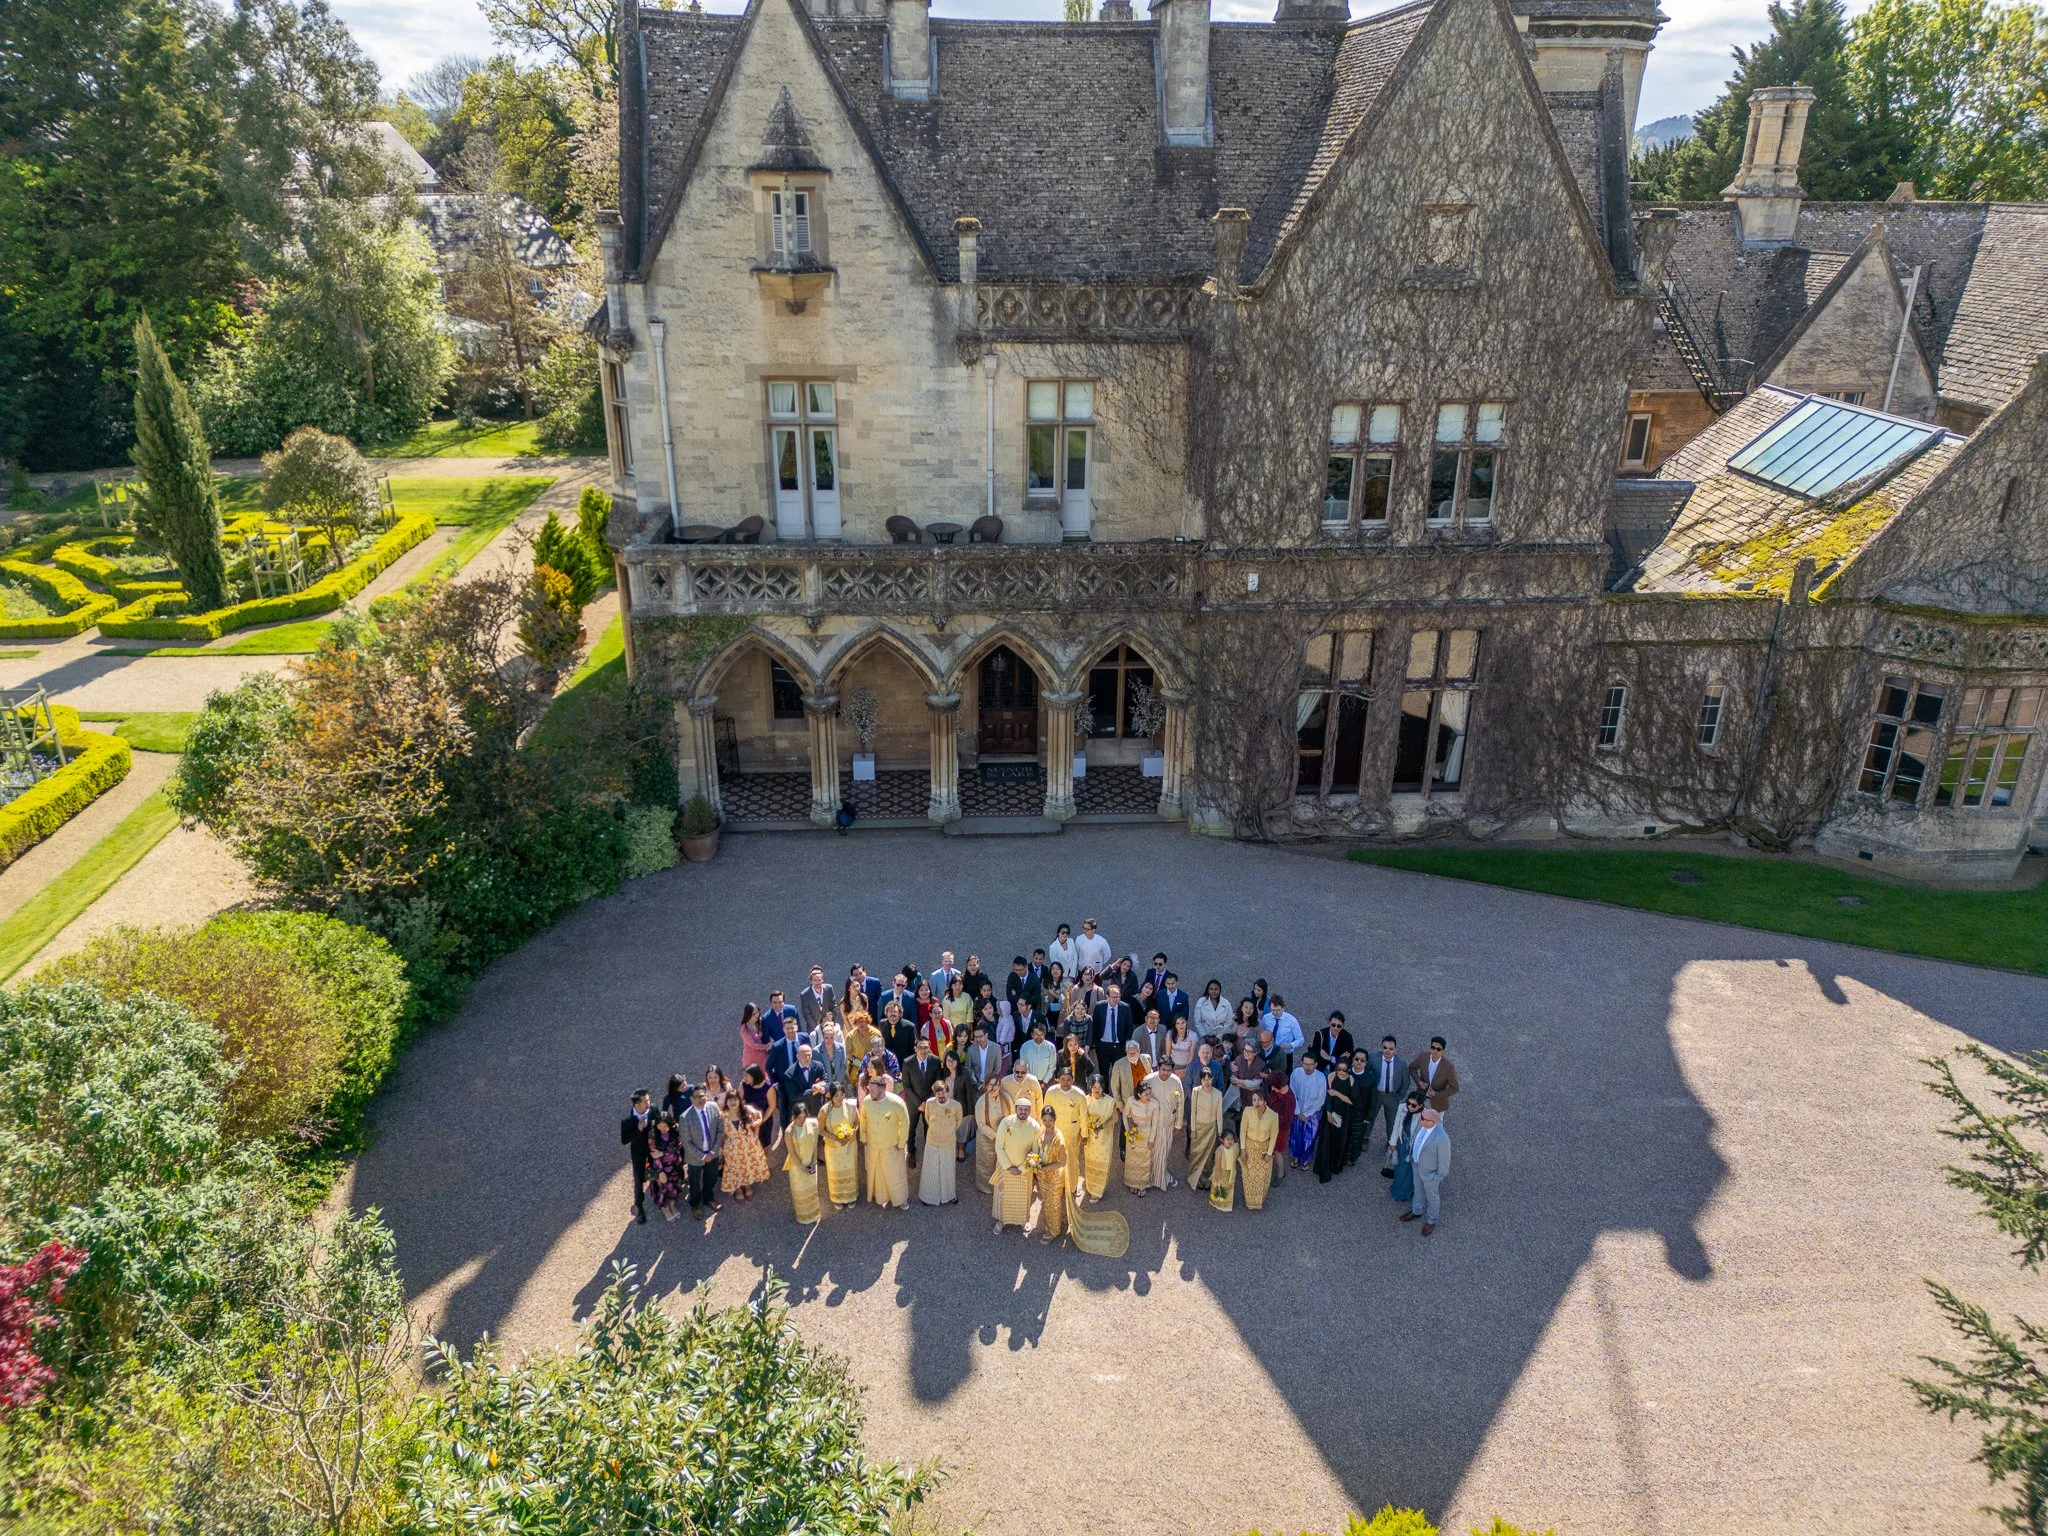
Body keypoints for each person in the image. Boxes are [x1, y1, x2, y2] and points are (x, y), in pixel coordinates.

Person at [861, 1077, 911, 1209]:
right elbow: (863, 1119)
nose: (869, 1093)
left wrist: (901, 1143)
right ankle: (881, 1196)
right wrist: (863, 1137)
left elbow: (905, 1123)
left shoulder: (896, 1102)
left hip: (892, 1146)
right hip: (873, 1145)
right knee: (877, 1173)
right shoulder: (867, 1101)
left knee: (895, 1174)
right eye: (869, 1090)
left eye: (872, 1091)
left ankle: (901, 1199)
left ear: (882, 1089)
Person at [992, 1095, 1039, 1233]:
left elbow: (1035, 1152)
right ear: (1016, 1109)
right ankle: (1001, 1221)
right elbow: (999, 1147)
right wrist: (1009, 1167)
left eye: (1026, 1109)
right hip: (1005, 1166)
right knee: (1002, 1196)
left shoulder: (1035, 1126)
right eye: (1020, 1109)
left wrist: (1022, 1169)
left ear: (1029, 1110)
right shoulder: (1006, 1122)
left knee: (1023, 1197)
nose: (1023, 1112)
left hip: (1023, 1170)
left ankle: (1023, 1220)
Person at [1402, 1107, 1450, 1234]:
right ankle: (1416, 1211)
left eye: (1422, 1118)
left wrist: (1437, 1177)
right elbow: (1415, 1140)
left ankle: (1431, 1220)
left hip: (1431, 1173)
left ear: (1432, 1122)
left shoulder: (1442, 1138)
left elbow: (1444, 1161)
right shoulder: (1422, 1125)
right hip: (1417, 1165)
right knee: (1417, 1188)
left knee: (1432, 1197)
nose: (1419, 1119)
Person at [899, 1036, 947, 1164]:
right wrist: (918, 1103)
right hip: (913, 1103)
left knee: (929, 1128)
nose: (923, 1050)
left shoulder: (935, 1061)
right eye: (920, 1047)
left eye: (926, 1047)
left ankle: (929, 1152)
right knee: (911, 1129)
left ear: (929, 1047)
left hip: (930, 1102)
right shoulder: (907, 1062)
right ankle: (911, 1153)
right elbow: (906, 1086)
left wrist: (927, 1101)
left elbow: (938, 1083)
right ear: (915, 1048)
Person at [1042, 1065, 1088, 1194]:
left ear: (1073, 1080)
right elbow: (1045, 1112)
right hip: (1054, 1132)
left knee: (1072, 1160)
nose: (1065, 1083)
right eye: (1063, 1079)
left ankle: (1072, 1187)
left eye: (1068, 1079)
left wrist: (1084, 1135)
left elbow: (1084, 1116)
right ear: (1058, 1079)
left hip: (1072, 1133)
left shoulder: (1079, 1095)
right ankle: (1056, 1186)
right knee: (1054, 1159)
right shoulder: (1051, 1091)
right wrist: (1044, 1130)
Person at [682, 1085, 724, 1219]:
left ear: (707, 1095)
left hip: (713, 1153)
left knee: (711, 1177)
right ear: (691, 1099)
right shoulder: (685, 1117)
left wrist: (712, 1151)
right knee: (694, 1182)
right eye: (697, 1097)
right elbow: (686, 1142)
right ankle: (695, 1204)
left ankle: (708, 1198)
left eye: (702, 1096)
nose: (700, 1099)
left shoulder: (714, 1107)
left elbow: (720, 1130)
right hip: (695, 1157)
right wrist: (703, 1156)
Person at [918, 1080, 963, 1205]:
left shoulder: (956, 1105)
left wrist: (949, 1131)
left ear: (947, 1092)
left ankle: (949, 1195)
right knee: (930, 1168)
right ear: (934, 1094)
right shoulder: (929, 1103)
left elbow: (958, 1121)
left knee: (948, 1168)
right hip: (932, 1140)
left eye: (943, 1092)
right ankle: (928, 1197)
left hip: (948, 1141)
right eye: (938, 1094)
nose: (941, 1096)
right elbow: (927, 1118)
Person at [722, 1088, 769, 1201]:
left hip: (749, 1145)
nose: (733, 1102)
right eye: (730, 1100)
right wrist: (723, 1148)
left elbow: (759, 1118)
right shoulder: (722, 1116)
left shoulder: (747, 1110)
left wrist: (755, 1136)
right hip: (731, 1147)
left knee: (747, 1166)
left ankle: (747, 1186)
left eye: (735, 1099)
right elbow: (721, 1133)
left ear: (739, 1100)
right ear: (726, 1102)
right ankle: (737, 1189)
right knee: (734, 1168)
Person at [1314, 1057, 1356, 1183]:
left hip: (1344, 1113)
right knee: (1326, 1140)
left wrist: (1336, 1093)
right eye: (1339, 1069)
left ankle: (1335, 1166)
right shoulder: (1331, 1076)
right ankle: (1324, 1168)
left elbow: (1352, 1101)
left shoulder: (1351, 1079)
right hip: (1330, 1112)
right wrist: (1328, 1113)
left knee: (1339, 1140)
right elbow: (1327, 1096)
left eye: (1344, 1069)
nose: (1342, 1071)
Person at [821, 1083, 862, 1209]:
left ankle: (851, 1196)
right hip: (833, 1147)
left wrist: (852, 1133)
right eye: (836, 1095)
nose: (840, 1098)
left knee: (850, 1169)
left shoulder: (851, 1106)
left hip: (850, 1145)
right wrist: (836, 1138)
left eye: (842, 1094)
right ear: (830, 1096)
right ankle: (837, 1197)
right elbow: (820, 1129)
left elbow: (857, 1123)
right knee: (836, 1172)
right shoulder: (825, 1110)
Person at [1238, 1086, 1279, 1210]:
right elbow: (1243, 1129)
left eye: (1259, 1100)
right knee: (1249, 1176)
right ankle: (1250, 1202)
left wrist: (1269, 1153)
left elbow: (1273, 1135)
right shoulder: (1247, 1111)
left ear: (1265, 1101)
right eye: (1254, 1100)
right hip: (1249, 1147)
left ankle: (1258, 1201)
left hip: (1263, 1149)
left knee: (1262, 1177)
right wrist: (1243, 1149)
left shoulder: (1273, 1116)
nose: (1256, 1103)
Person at [1033, 1104, 1068, 1242]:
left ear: (1055, 1120)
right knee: (1046, 1201)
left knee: (1054, 1203)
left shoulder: (1058, 1138)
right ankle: (1054, 1223)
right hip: (1042, 1176)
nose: (1047, 1124)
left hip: (1054, 1177)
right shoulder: (1041, 1130)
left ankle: (1054, 1231)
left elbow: (1062, 1162)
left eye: (1050, 1120)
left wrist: (1045, 1168)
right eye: (1045, 1120)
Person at [1368, 1035, 1406, 1164]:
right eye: (1385, 1047)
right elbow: (1367, 1073)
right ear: (1381, 1047)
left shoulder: (1401, 1064)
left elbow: (1405, 1082)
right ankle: (1366, 1138)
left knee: (1391, 1121)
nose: (1387, 1051)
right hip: (1377, 1095)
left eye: (1391, 1048)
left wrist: (1399, 1096)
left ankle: (1390, 1142)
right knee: (1370, 1117)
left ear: (1395, 1050)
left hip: (1392, 1097)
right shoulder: (1373, 1058)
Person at [1187, 1059, 1225, 1189]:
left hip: (1211, 1129)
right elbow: (1193, 1111)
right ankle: (1195, 1179)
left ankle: (1206, 1179)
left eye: (1209, 1079)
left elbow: (1219, 1115)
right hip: (1198, 1127)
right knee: (1196, 1154)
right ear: (1200, 1080)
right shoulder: (1196, 1091)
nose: (1206, 1082)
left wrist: (1220, 1132)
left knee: (1209, 1157)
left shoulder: (1218, 1094)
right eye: (1204, 1079)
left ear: (1213, 1078)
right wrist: (1193, 1129)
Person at [784, 1099, 822, 1224]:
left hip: (810, 1162)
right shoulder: (790, 1132)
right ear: (793, 1117)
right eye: (799, 1117)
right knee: (800, 1190)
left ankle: (814, 1213)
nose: (802, 1120)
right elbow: (792, 1152)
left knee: (812, 1188)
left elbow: (815, 1144)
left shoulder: (813, 1124)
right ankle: (803, 1216)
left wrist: (814, 1162)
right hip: (797, 1166)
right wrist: (802, 1168)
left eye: (804, 1116)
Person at [1080, 1076, 1118, 1200]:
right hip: (1090, 1138)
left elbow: (1115, 1118)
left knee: (1102, 1163)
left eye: (1099, 1087)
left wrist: (1102, 1126)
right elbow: (1083, 1118)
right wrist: (1084, 1134)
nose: (1097, 1090)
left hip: (1105, 1138)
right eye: (1094, 1087)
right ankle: (1090, 1186)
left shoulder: (1110, 1101)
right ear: (1090, 1087)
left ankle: (1097, 1191)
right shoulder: (1085, 1100)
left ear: (1103, 1088)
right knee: (1090, 1162)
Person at [1121, 1078, 1161, 1196]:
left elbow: (1155, 1124)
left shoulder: (1155, 1104)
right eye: (1146, 1094)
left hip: (1147, 1134)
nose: (1149, 1097)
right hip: (1133, 1134)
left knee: (1145, 1161)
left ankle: (1143, 1185)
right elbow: (1125, 1115)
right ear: (1139, 1094)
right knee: (1133, 1161)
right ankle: (1133, 1184)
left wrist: (1151, 1139)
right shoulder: (1130, 1101)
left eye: (1150, 1093)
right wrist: (1129, 1132)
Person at [620, 1090, 655, 1224]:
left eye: (648, 1099)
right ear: (636, 1104)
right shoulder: (628, 1121)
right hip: (638, 1153)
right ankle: (639, 1206)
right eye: (645, 1101)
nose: (648, 1103)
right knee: (639, 1180)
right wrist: (638, 1130)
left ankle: (657, 1195)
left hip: (653, 1150)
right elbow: (624, 1140)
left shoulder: (653, 1110)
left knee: (656, 1172)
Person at [1147, 1066, 1183, 1192]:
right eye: (1163, 1070)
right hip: (1151, 1124)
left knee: (1164, 1152)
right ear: (1159, 1069)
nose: (1165, 1073)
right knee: (1152, 1152)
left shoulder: (1176, 1081)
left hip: (1168, 1123)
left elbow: (1180, 1103)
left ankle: (1161, 1178)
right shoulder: (1149, 1080)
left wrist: (1178, 1124)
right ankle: (1149, 1178)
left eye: (1168, 1070)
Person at [1288, 1053, 1326, 1170]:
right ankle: (1295, 1156)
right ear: (1302, 1063)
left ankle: (1306, 1158)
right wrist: (1298, 1112)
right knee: (1295, 1134)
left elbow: (1320, 1100)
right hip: (1297, 1110)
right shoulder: (1296, 1073)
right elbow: (1292, 1093)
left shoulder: (1320, 1078)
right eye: (1305, 1064)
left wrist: (1306, 1114)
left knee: (1310, 1137)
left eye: (1310, 1064)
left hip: (1313, 1113)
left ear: (1316, 1065)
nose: (1307, 1067)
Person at [1387, 1089, 1425, 1206]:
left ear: (1420, 1106)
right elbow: (1396, 1124)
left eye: (1413, 1105)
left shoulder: (1423, 1116)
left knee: (1408, 1171)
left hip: (1412, 1147)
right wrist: (1392, 1142)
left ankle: (1404, 1193)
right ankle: (1397, 1189)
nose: (1409, 1106)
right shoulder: (1402, 1108)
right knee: (1398, 1167)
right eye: (1409, 1103)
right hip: (1401, 1142)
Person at [1090, 982, 1133, 1085]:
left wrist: (1126, 1045)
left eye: (1118, 997)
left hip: (1119, 1046)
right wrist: (1096, 1043)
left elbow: (1129, 1028)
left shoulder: (1125, 1008)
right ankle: (1104, 1094)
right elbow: (1094, 1026)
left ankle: (1116, 1095)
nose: (1116, 999)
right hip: (1103, 1045)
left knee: (1118, 1073)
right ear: (1107, 996)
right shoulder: (1099, 1007)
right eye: (1113, 997)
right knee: (1103, 1072)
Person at [647, 1111, 684, 1221]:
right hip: (662, 1167)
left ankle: (672, 1204)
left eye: (665, 1125)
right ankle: (665, 1207)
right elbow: (655, 1156)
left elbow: (678, 1148)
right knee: (663, 1188)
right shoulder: (653, 1135)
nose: (662, 1128)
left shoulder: (675, 1131)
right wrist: (660, 1172)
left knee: (674, 1186)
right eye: (660, 1126)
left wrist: (663, 1153)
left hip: (675, 1165)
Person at [1409, 1035, 1460, 1115]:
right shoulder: (1423, 1056)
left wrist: (1436, 1094)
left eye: (1438, 1049)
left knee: (1435, 1126)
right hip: (1421, 1098)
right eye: (1433, 1048)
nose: (1435, 1051)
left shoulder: (1449, 1067)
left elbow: (1455, 1088)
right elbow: (1412, 1067)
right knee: (1417, 1123)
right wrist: (1419, 1082)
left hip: (1437, 1104)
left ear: (1443, 1051)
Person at [779, 1042, 825, 1128]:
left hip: (817, 1108)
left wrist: (821, 1086)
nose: (807, 1058)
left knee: (819, 1136)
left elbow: (826, 1081)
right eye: (804, 1055)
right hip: (801, 1113)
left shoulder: (818, 1066)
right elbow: (793, 1096)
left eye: (809, 1055)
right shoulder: (790, 1074)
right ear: (798, 1056)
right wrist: (812, 1091)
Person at [1342, 1051, 1373, 1169]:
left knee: (1356, 1138)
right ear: (1352, 1060)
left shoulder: (1370, 1078)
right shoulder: (1345, 1073)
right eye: (1356, 1059)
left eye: (1362, 1060)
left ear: (1366, 1063)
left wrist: (1368, 1116)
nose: (1359, 1062)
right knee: (1344, 1135)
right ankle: (1343, 1157)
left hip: (1360, 1114)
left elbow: (1372, 1099)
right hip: (1345, 1111)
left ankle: (1352, 1158)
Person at [975, 1076, 1004, 1194]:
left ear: (1000, 1086)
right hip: (986, 1137)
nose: (993, 1088)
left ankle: (1000, 1185)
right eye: (990, 1085)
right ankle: (986, 1188)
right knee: (987, 1164)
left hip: (1003, 1137)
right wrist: (996, 1136)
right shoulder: (981, 1102)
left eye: (996, 1085)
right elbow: (981, 1124)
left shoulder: (1005, 1098)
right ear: (986, 1086)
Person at [1265, 1071, 1295, 1184]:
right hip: (1271, 1124)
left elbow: (1286, 1119)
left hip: (1280, 1129)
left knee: (1277, 1151)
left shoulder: (1289, 1099)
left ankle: (1280, 1174)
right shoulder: (1276, 1091)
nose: (1272, 1088)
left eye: (1273, 1086)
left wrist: (1270, 1117)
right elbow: (1269, 1101)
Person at [740, 1063, 777, 1152]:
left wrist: (761, 1121)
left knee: (762, 1147)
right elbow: (739, 1100)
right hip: (747, 1121)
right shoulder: (743, 1085)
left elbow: (772, 1107)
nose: (744, 1077)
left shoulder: (768, 1087)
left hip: (763, 1122)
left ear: (754, 1076)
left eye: (747, 1075)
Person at [1108, 1038, 1148, 1110]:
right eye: (1130, 1053)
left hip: (1146, 1101)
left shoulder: (1146, 1059)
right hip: (1129, 1103)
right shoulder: (1119, 1065)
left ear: (1139, 1051)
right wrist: (1120, 1105)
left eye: (1134, 1053)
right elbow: (1115, 1087)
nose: (1132, 1056)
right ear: (1126, 1051)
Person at [799, 966, 840, 1034]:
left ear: (822, 980)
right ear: (811, 981)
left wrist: (829, 1023)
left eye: (819, 980)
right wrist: (818, 1028)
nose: (817, 983)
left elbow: (834, 1006)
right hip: (814, 1029)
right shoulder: (805, 994)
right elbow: (807, 1014)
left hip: (830, 1026)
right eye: (814, 980)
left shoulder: (829, 988)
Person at [1269, 997, 1304, 1070]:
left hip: (1285, 1054)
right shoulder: (1266, 1018)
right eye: (1273, 1010)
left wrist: (1290, 1045)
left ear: (1283, 1008)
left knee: (1286, 1077)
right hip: (1269, 1052)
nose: (1275, 1013)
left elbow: (1300, 1039)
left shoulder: (1291, 1020)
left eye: (1278, 1010)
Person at [1208, 1131, 1239, 1212]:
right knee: (1219, 1187)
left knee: (1228, 1188)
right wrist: (1217, 1177)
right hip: (1221, 1173)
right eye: (1227, 1139)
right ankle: (1216, 1203)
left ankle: (1226, 1205)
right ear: (1222, 1140)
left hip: (1230, 1172)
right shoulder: (1219, 1151)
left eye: (1232, 1139)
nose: (1230, 1141)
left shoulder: (1234, 1148)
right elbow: (1217, 1166)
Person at [738, 1002, 771, 1078]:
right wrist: (767, 1046)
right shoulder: (744, 1029)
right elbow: (753, 1045)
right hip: (751, 1059)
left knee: (765, 1079)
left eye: (757, 1012)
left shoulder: (759, 1021)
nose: (756, 1015)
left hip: (763, 1058)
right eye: (753, 1014)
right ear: (748, 1015)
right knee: (753, 1080)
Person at [879, 998, 916, 1067]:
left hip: (904, 1063)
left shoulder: (909, 1026)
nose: (893, 1014)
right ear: (886, 1013)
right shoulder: (882, 1024)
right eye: (890, 1012)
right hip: (887, 1063)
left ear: (899, 1013)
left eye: (895, 1012)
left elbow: (913, 1048)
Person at [1019, 1019, 1057, 1084]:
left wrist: (1044, 1082)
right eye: (1036, 1034)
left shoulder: (1051, 1047)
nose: (1039, 1037)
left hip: (1046, 1082)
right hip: (1029, 1081)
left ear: (1045, 1035)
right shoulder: (1025, 1047)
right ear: (1032, 1034)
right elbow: (1024, 1065)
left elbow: (1052, 1067)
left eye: (1041, 1034)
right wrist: (1031, 1080)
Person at [1042, 961, 1067, 1037]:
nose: (1055, 971)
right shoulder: (1046, 982)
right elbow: (1043, 997)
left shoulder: (1066, 982)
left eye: (1058, 969)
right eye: (1053, 969)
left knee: (1060, 1033)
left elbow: (1065, 999)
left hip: (1061, 1012)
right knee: (1049, 1032)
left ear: (1061, 971)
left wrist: (1052, 993)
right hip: (1049, 1011)